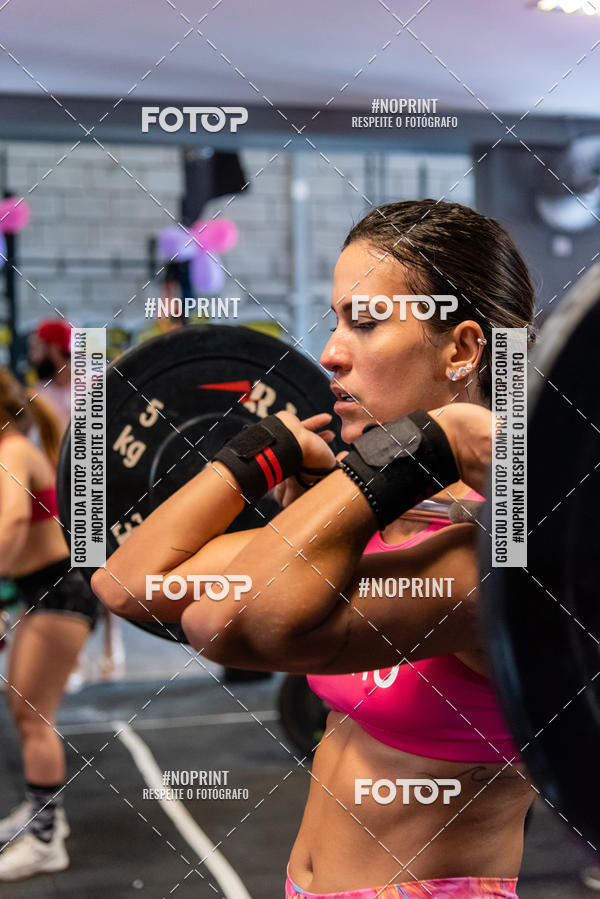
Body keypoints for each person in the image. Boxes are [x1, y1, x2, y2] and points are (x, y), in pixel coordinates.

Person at [93, 200, 537, 898]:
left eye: (363, 322)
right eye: (335, 321)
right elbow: (127, 582)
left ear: (462, 349)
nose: (330, 351)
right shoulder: (376, 519)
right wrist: (260, 452)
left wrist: (403, 454)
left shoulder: (491, 552)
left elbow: (224, 621)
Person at [0, 367, 99, 881]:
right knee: (23, 710)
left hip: (61, 588)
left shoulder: (12, 450)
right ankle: (40, 815)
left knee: (34, 714)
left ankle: (44, 842)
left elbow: (13, 522)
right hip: (40, 589)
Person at [27, 318, 72, 431]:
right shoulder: (39, 393)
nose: (32, 358)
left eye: (35, 349)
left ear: (54, 348)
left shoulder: (91, 385)